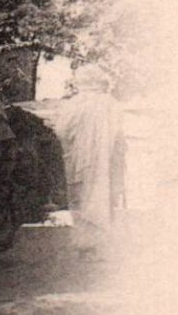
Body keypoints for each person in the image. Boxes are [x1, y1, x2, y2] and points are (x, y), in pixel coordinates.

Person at [49, 63, 126, 253]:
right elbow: (120, 136)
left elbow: (62, 131)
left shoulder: (75, 103)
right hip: (106, 160)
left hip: (80, 159)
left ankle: (85, 244)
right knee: (104, 196)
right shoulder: (112, 103)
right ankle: (101, 243)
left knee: (82, 197)